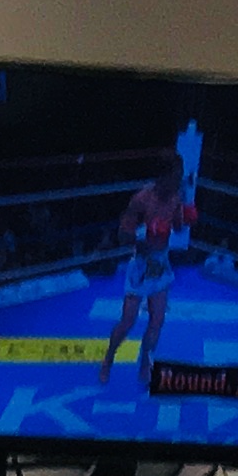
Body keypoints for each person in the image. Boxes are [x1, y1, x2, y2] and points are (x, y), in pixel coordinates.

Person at [99, 135, 197, 382]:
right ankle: (109, 357)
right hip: (141, 264)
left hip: (161, 262)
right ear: (163, 176)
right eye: (175, 176)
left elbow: (178, 228)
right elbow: (122, 234)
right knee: (128, 321)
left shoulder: (176, 197)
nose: (179, 181)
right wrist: (143, 234)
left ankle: (145, 362)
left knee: (157, 320)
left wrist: (186, 213)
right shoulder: (142, 199)